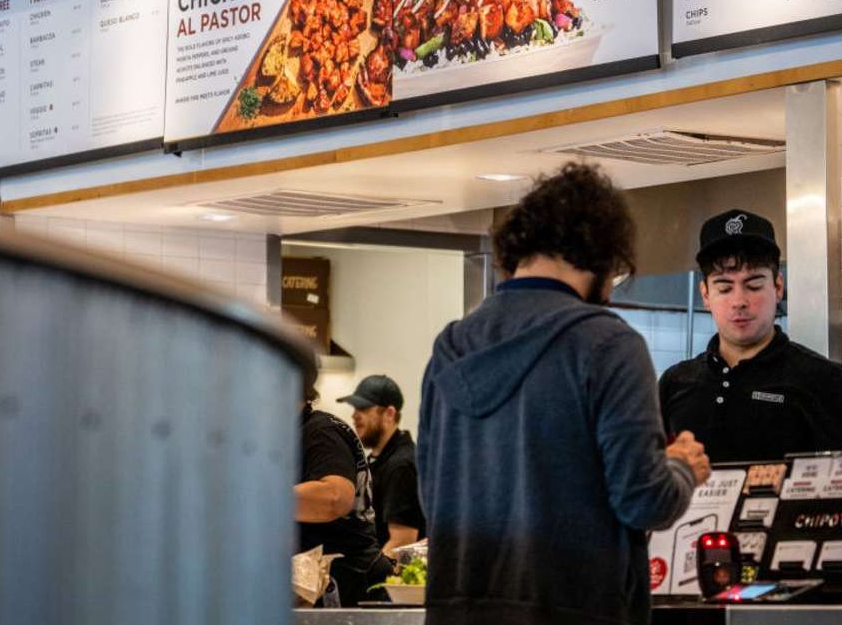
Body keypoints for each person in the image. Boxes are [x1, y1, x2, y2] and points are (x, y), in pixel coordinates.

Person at [418, 162, 710, 625]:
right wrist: (682, 467)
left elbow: (432, 498)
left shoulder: (450, 347)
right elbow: (643, 500)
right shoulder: (607, 344)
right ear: (600, 252)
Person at [659, 209, 842, 463]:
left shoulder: (827, 382)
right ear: (705, 294)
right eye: (724, 288)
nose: (739, 301)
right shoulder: (675, 383)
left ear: (778, 286)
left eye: (754, 285)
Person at [297, 382, 391, 607]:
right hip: (322, 587)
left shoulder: (320, 431)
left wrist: (251, 497)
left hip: (350, 586)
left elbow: (334, 497)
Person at [338, 374, 426, 558]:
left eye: (363, 408)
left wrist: (368, 579)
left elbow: (403, 540)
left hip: (389, 583)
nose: (354, 415)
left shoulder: (401, 465)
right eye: (355, 408)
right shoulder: (378, 461)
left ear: (389, 414)